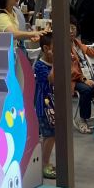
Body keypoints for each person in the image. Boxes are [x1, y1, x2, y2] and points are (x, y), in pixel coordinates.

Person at [68, 18, 94, 133]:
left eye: (73, 28)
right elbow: (71, 70)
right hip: (73, 80)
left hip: (85, 76)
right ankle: (82, 120)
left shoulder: (76, 42)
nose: (71, 31)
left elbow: (87, 49)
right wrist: (84, 80)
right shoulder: (63, 46)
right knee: (86, 90)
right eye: (68, 28)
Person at [33, 32, 57, 180]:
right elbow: (51, 80)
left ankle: (44, 162)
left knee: (52, 135)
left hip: (54, 106)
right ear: (46, 48)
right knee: (49, 135)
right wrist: (55, 63)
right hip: (44, 107)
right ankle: (44, 164)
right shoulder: (40, 66)